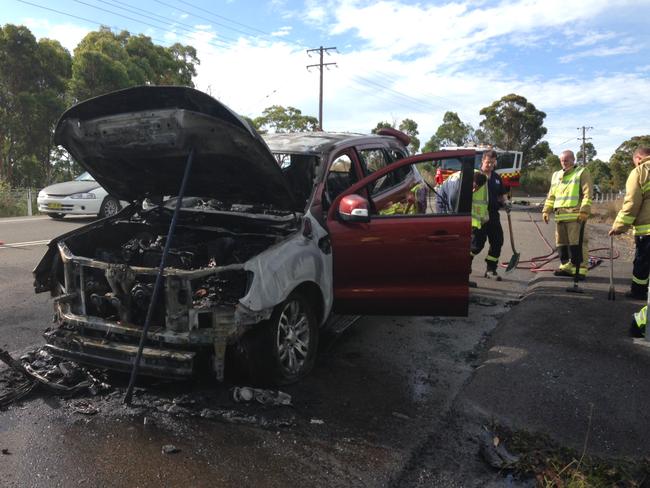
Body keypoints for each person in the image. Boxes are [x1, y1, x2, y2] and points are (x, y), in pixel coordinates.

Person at [542, 150, 593, 279]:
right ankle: (566, 266)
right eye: (562, 161)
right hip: (560, 216)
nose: (564, 163)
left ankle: (580, 269)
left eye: (567, 160)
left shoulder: (581, 172)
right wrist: (546, 210)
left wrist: (584, 210)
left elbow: (588, 193)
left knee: (577, 244)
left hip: (576, 216)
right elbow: (551, 195)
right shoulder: (556, 175)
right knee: (561, 243)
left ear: (573, 160)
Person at [608, 146, 650, 300]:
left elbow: (631, 203)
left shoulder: (639, 172)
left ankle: (638, 292)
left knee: (643, 263)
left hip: (647, 232)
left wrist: (619, 226)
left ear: (638, 158)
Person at [436, 170, 489, 287]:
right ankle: (450, 280)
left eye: (477, 188)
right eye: (474, 187)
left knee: (465, 245)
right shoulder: (456, 190)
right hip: (444, 204)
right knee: (452, 243)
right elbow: (455, 214)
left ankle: (460, 277)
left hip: (454, 201)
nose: (475, 190)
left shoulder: (475, 177)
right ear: (470, 181)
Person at [472, 150, 510, 280]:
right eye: (488, 162)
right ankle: (464, 266)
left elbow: (502, 193)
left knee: (498, 241)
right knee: (477, 245)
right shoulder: (475, 175)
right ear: (482, 161)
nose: (490, 165)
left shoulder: (496, 177)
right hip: (478, 216)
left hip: (493, 215)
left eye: (493, 163)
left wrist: (506, 202)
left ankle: (491, 270)